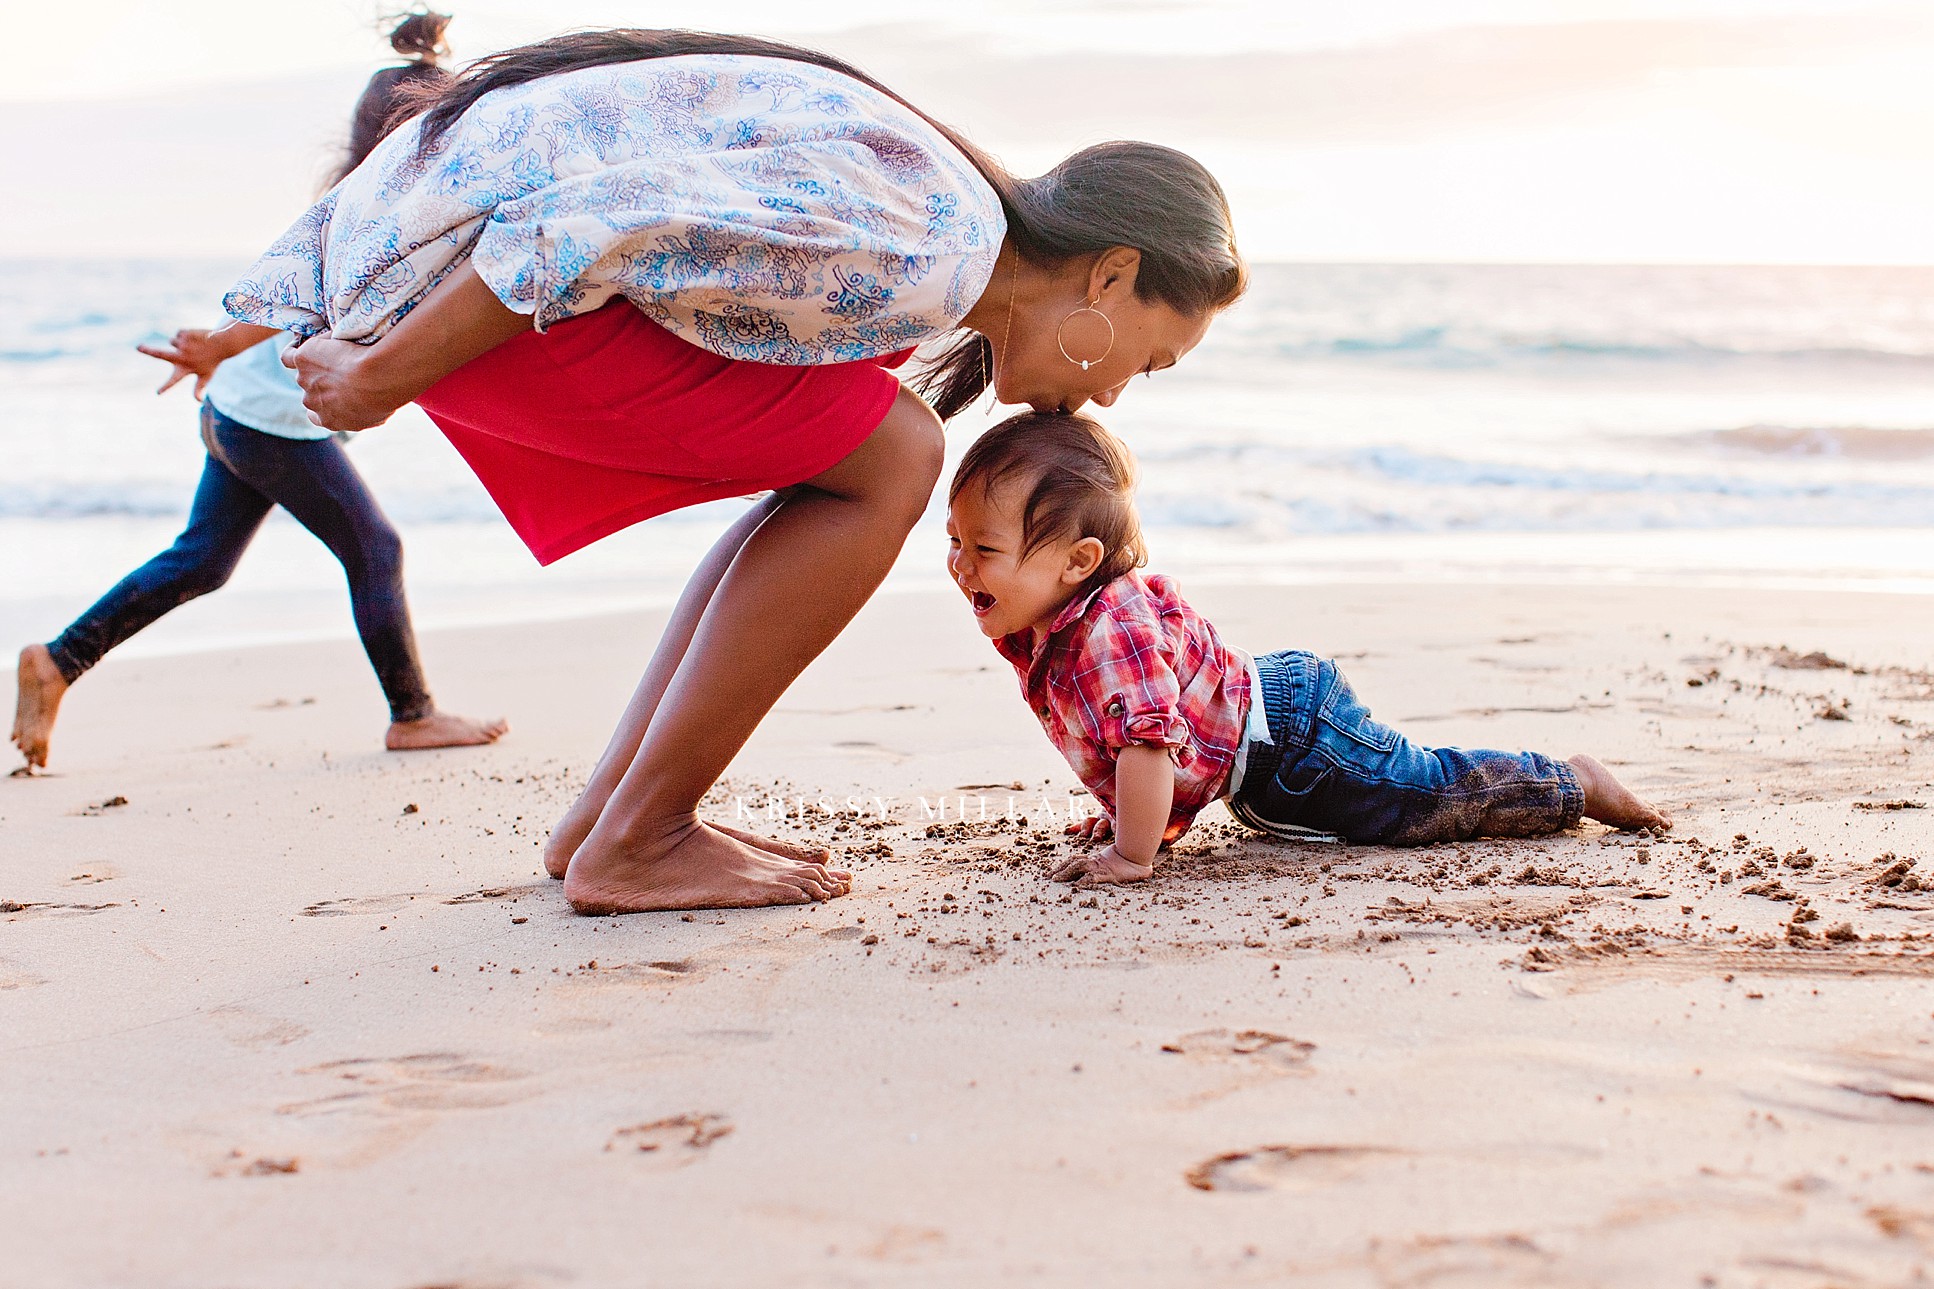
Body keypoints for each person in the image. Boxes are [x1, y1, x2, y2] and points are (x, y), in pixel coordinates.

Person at [209, 30, 1249, 915]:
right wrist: (382, 377)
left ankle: (608, 822)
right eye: (1145, 356)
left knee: (861, 445)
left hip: (441, 269)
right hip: (454, 290)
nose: (1113, 396)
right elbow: (576, 226)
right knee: (895, 454)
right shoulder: (936, 241)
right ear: (1109, 275)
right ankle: (641, 835)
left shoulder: (939, 231)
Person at [9, 10, 504, 774]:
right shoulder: (377, 212)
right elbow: (285, 303)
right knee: (375, 547)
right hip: (269, 421)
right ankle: (413, 715)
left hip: (239, 410)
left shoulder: (361, 206)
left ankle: (58, 661)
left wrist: (214, 349)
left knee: (204, 560)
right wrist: (216, 344)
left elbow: (285, 292)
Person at [944, 412, 1672, 888]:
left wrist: (1132, 856)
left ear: (1078, 561)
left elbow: (1147, 742)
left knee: (1423, 799)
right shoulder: (1049, 623)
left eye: (983, 547)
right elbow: (1130, 744)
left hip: (1299, 740)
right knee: (1389, 807)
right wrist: (1126, 818)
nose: (960, 564)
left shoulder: (1110, 629)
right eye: (953, 541)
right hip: (1266, 751)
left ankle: (1571, 781)